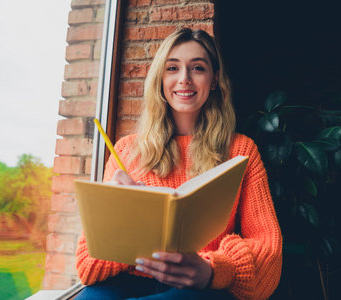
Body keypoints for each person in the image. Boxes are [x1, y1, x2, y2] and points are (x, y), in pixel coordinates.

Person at [75, 28, 282, 300]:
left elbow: (269, 254)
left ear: (214, 79)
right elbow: (86, 267)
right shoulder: (126, 150)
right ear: (161, 78)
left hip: (200, 288)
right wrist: (118, 220)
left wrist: (212, 270)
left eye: (197, 68)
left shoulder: (241, 150)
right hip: (130, 280)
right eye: (172, 68)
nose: (184, 79)